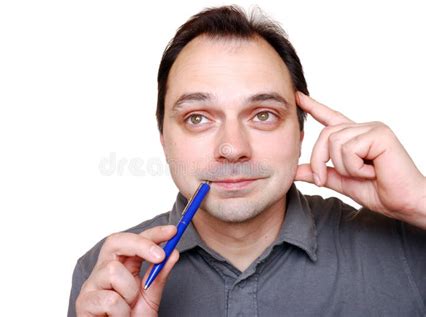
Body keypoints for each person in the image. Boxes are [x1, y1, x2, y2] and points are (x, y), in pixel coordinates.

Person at [68, 6, 425, 316]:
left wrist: (419, 201)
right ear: (163, 137)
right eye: (197, 118)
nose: (232, 148)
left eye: (263, 115)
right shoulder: (107, 274)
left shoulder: (409, 245)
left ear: (301, 133)